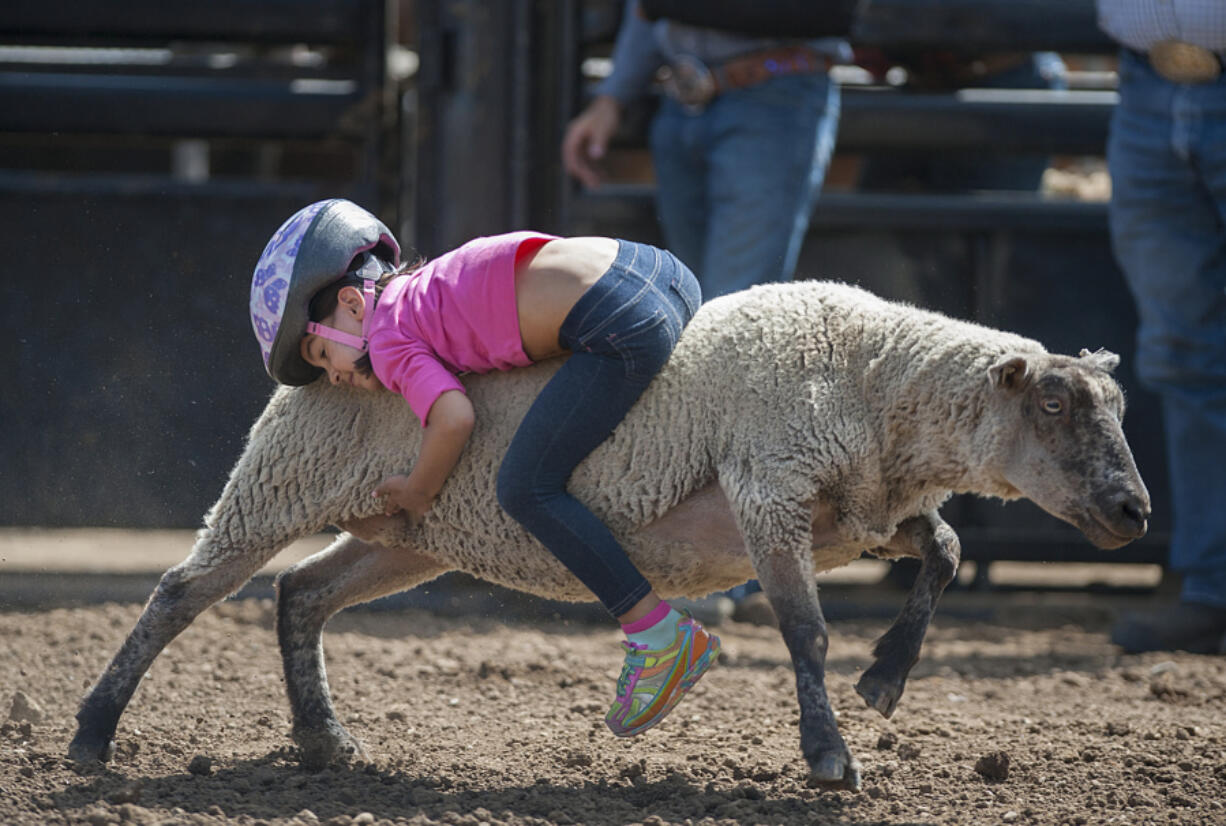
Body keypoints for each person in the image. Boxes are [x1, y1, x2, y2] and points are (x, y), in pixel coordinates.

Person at [249, 198, 719, 733]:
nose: (331, 377)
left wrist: (417, 492)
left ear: (354, 304)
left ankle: (658, 635)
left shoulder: (387, 337)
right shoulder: (428, 286)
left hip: (621, 320)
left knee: (525, 488)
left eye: (318, 355)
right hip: (664, 272)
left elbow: (453, 418)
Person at [561, 0, 845, 300]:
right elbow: (646, 10)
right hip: (682, 99)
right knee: (688, 304)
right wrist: (612, 99)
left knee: (731, 310)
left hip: (775, 93)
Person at [1096, 1, 1226, 653]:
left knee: (1190, 355)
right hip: (1148, 81)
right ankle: (1211, 591)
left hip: (1158, 86)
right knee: (1184, 354)